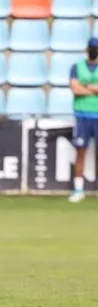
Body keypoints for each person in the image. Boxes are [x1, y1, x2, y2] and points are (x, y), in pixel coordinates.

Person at [68, 37, 98, 203]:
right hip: (82, 115)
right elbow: (75, 89)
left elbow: (80, 88)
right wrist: (93, 89)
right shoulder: (77, 67)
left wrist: (84, 87)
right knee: (80, 151)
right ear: (88, 49)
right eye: (92, 48)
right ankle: (78, 189)